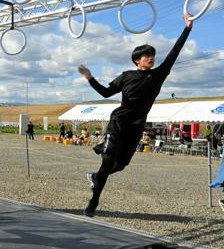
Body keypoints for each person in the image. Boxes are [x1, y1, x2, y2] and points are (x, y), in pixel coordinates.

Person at [78, 13, 194, 217]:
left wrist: (188, 28)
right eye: (146, 55)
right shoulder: (126, 76)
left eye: (152, 55)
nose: (151, 58)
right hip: (119, 122)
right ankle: (93, 202)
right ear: (136, 60)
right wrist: (90, 78)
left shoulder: (158, 74)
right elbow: (106, 93)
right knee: (108, 160)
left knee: (120, 165)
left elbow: (174, 53)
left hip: (137, 126)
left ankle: (96, 176)